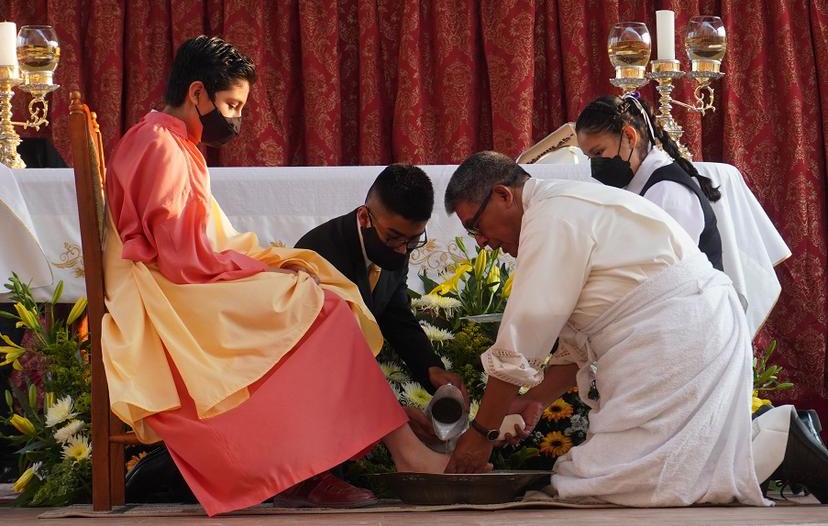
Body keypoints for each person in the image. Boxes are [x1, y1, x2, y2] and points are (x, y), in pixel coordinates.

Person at [103, 35, 447, 517]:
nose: (236, 119)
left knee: (316, 295)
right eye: (230, 104)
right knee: (321, 308)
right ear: (197, 93)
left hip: (176, 279)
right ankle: (377, 456)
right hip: (169, 292)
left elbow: (194, 243)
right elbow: (184, 259)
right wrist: (258, 267)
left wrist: (268, 263)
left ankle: (335, 464)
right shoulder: (161, 146)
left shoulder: (171, 140)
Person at [441, 151, 768, 506]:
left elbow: (523, 335)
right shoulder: (561, 203)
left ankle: (775, 442)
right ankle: (775, 439)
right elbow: (575, 339)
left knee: (608, 481)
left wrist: (481, 434)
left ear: (504, 195)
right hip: (692, 325)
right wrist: (535, 399)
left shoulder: (550, 215)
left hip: (678, 332)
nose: (482, 242)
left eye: (475, 226)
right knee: (634, 473)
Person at [289, 164, 467, 506]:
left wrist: (431, 369)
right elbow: (325, 351)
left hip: (345, 371)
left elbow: (396, 313)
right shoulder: (319, 253)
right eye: (394, 238)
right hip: (307, 370)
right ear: (364, 217)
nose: (402, 250)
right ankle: (306, 478)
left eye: (413, 240)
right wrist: (392, 412)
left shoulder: (394, 246)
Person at [576, 94, 723, 271]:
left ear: (630, 137)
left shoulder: (668, 192)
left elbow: (669, 270)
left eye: (598, 153)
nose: (595, 163)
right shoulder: (637, 182)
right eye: (589, 157)